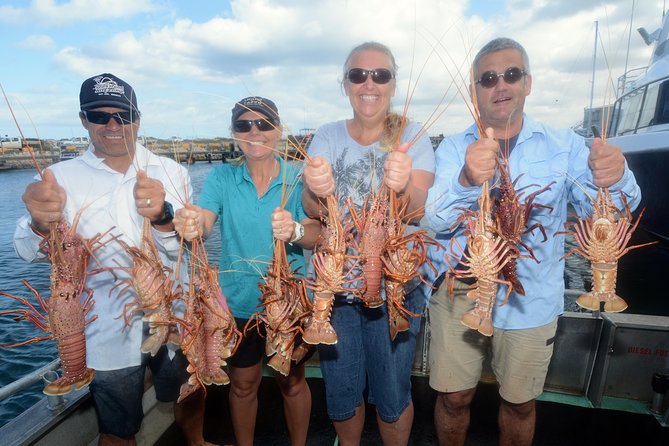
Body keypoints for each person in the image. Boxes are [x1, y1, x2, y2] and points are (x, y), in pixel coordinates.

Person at [424, 37, 641, 446]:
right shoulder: (454, 147)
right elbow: (434, 219)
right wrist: (467, 180)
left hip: (530, 296)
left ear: (528, 82)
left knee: (520, 403)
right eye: (488, 78)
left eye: (511, 74)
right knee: (454, 397)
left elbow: (614, 211)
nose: (500, 85)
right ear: (475, 90)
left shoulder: (566, 146)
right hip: (462, 292)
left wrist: (618, 175)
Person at [13, 73, 211, 446]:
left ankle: (196, 441)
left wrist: (162, 218)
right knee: (117, 427)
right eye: (99, 115)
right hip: (104, 328)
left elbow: (185, 250)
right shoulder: (58, 177)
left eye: (123, 115)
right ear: (83, 119)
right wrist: (41, 224)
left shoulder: (173, 171)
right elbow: (24, 249)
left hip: (173, 315)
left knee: (188, 390)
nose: (112, 125)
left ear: (138, 118)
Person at [301, 41, 436, 445]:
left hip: (395, 290)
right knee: (343, 395)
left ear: (394, 84)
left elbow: (415, 210)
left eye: (381, 75)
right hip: (335, 292)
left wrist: (400, 189)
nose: (369, 83)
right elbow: (309, 206)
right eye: (358, 75)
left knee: (392, 396)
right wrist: (317, 190)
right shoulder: (326, 135)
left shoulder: (413, 135)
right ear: (345, 84)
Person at [173, 96, 320, 446]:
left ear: (278, 130)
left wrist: (296, 231)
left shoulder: (298, 175)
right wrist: (191, 222)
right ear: (234, 133)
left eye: (264, 124)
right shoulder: (222, 176)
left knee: (293, 381)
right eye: (244, 125)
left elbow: (317, 233)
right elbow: (206, 222)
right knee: (242, 385)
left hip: (289, 303)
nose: (254, 131)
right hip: (238, 303)